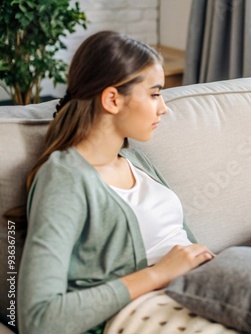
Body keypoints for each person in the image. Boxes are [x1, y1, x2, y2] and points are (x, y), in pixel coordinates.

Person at [18, 31, 215, 334]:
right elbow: (39, 318)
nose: (164, 107)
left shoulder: (135, 159)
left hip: (206, 290)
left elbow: (186, 244)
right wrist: (160, 274)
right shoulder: (64, 178)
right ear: (112, 99)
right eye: (154, 94)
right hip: (149, 312)